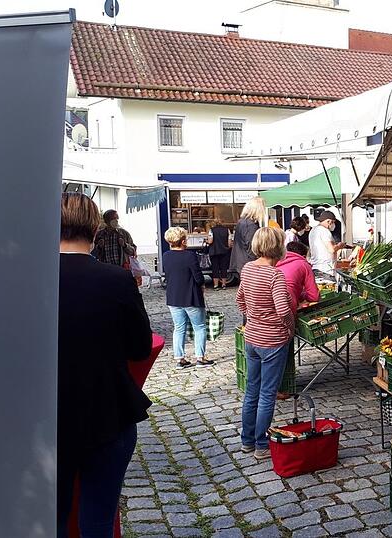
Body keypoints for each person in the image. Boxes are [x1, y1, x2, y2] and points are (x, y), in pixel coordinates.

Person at [57, 193, 152, 537]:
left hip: (48, 414)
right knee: (97, 520)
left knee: (51, 517)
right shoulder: (115, 280)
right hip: (106, 412)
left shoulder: (30, 279)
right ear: (95, 230)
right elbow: (141, 347)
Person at [236, 227, 294, 459]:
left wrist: (252, 317)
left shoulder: (248, 268)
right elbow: (283, 309)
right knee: (268, 394)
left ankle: (247, 441)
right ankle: (261, 445)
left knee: (252, 391)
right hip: (273, 341)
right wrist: (289, 328)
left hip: (252, 338)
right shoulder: (275, 275)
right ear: (278, 247)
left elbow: (239, 299)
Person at [163, 226, 214, 368]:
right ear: (183, 241)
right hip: (191, 297)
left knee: (179, 328)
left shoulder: (166, 256)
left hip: (173, 297)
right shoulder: (190, 256)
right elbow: (198, 277)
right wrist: (202, 285)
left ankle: (179, 359)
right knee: (199, 327)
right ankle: (200, 357)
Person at [274, 241, 319, 399]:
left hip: (266, 310)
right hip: (286, 309)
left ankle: (270, 388)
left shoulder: (276, 261)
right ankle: (275, 389)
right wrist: (301, 297)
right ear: (303, 254)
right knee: (281, 350)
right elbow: (314, 295)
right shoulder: (303, 264)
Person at [230, 196, 265, 275]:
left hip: (241, 262)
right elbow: (252, 247)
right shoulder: (251, 225)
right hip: (249, 264)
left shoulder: (241, 222)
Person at [308, 210, 346, 276]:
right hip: (326, 269)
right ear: (328, 221)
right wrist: (340, 246)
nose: (334, 225)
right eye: (333, 222)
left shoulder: (313, 230)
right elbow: (332, 249)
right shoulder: (324, 231)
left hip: (315, 267)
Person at [206, 220, 232, 289]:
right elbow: (229, 243)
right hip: (224, 252)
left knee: (215, 268)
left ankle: (216, 285)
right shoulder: (227, 230)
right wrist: (227, 247)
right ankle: (224, 285)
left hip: (214, 252)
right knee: (224, 268)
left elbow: (210, 241)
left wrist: (206, 241)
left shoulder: (211, 230)